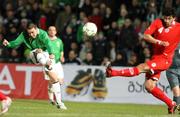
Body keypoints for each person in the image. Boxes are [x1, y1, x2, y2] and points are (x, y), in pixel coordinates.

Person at [106, 8, 180, 114]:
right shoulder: (158, 22)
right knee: (149, 86)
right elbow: (146, 35)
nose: (167, 21)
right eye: (165, 18)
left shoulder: (178, 27)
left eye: (169, 19)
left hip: (165, 60)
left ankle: (112, 73)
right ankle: (171, 104)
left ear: (174, 18)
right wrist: (159, 42)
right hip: (155, 58)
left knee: (141, 67)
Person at [2, 22, 64, 109]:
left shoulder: (43, 34)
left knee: (54, 79)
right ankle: (46, 63)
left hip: (46, 54)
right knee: (37, 52)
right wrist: (8, 44)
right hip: (35, 54)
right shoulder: (24, 34)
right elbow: (16, 42)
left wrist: (51, 53)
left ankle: (59, 102)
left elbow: (48, 44)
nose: (31, 35)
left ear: (36, 29)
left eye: (32, 32)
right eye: (29, 33)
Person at [46, 26, 67, 110]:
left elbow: (61, 50)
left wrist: (62, 57)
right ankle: (56, 101)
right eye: (50, 30)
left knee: (59, 81)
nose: (52, 31)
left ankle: (52, 94)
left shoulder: (59, 41)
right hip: (49, 64)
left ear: (56, 31)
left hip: (58, 63)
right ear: (48, 31)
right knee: (55, 81)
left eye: (53, 30)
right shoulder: (45, 41)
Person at [166, 44, 180, 109]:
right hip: (171, 70)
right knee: (176, 91)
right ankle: (174, 108)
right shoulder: (171, 42)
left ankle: (172, 107)